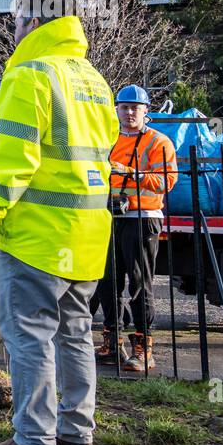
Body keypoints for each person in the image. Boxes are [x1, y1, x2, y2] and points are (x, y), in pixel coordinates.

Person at [0, 13, 118, 445]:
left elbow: (15, 158)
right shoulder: (93, 79)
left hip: (38, 235)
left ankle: (34, 442)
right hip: (87, 234)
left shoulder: (30, 75)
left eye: (14, 26)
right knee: (75, 335)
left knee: (29, 337)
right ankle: (76, 434)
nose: (10, 35)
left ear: (32, 24)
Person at [93, 85, 178, 372]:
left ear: (146, 111)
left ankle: (143, 349)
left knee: (140, 283)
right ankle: (112, 342)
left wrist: (132, 174)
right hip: (110, 215)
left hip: (143, 217)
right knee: (107, 282)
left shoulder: (158, 142)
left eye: (135, 108)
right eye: (124, 107)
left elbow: (167, 181)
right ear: (116, 109)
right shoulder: (108, 140)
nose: (129, 113)